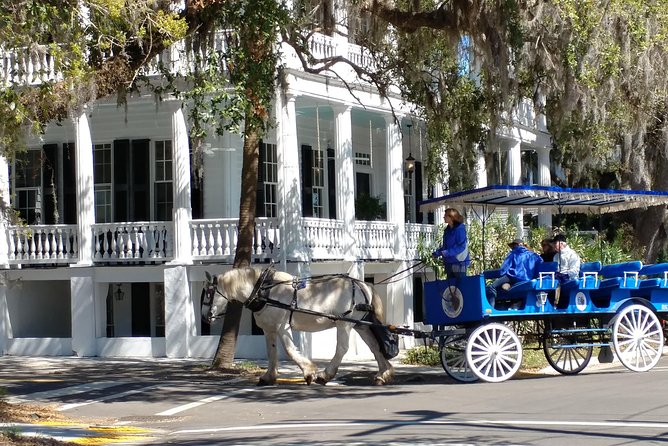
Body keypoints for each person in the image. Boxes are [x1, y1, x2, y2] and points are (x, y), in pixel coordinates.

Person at [486, 238, 543, 308]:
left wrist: (486, 274)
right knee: (505, 286)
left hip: (513, 278)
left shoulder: (513, 254)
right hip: (528, 280)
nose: (512, 248)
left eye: (513, 246)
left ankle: (490, 309)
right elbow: (540, 264)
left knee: (491, 287)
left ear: (516, 245)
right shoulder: (534, 255)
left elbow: (502, 271)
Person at [432, 208, 470, 279]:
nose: (444, 217)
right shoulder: (447, 230)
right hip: (449, 263)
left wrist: (447, 252)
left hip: (459, 263)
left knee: (460, 287)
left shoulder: (460, 228)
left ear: (451, 217)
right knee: (450, 288)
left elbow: (461, 246)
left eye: (445, 216)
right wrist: (437, 253)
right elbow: (445, 247)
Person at [551, 233, 581, 306]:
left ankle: (556, 303)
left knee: (557, 283)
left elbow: (575, 271)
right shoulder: (556, 256)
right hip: (558, 278)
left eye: (555, 243)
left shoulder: (572, 254)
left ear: (561, 243)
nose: (554, 245)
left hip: (570, 278)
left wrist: (564, 274)